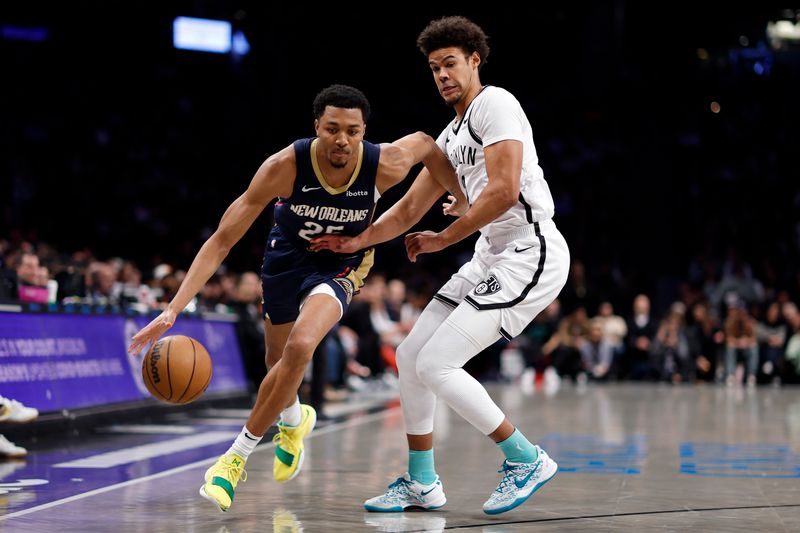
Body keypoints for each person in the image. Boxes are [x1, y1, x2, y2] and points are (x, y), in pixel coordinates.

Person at [127, 84, 462, 512]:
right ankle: (293, 419)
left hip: (340, 265)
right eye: (333, 129)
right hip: (285, 261)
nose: (342, 140)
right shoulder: (284, 166)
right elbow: (222, 240)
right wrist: (173, 309)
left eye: (353, 131)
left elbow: (427, 146)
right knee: (278, 360)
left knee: (302, 345)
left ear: (364, 132)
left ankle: (233, 460)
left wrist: (463, 195)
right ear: (316, 127)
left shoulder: (384, 163)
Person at [311, 16, 570, 515]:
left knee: (437, 363)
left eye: (450, 63)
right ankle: (422, 482)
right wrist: (356, 240)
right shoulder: (450, 136)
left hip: (529, 251)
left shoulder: (496, 104)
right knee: (411, 357)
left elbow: (503, 189)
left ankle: (525, 458)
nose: (443, 75)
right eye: (434, 68)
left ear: (475, 61)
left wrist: (445, 236)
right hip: (490, 253)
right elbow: (409, 210)